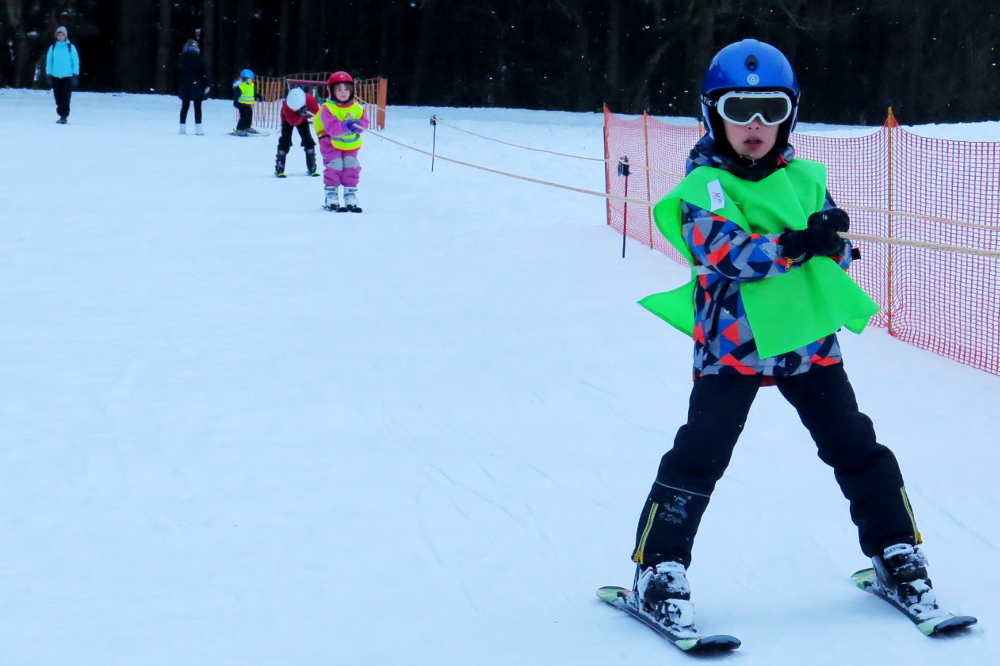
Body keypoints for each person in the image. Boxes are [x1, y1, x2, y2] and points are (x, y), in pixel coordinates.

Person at [627, 39, 938, 632]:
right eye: (739, 110)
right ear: (713, 114)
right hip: (733, 349)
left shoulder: (804, 180)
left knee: (855, 445)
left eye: (770, 110)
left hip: (807, 344)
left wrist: (834, 242)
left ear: (789, 115)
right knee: (701, 454)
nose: (755, 126)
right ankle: (658, 566)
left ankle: (896, 549)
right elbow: (726, 254)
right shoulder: (702, 190)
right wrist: (796, 245)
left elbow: (835, 257)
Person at [314, 71, 369, 212]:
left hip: (350, 144)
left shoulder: (357, 107)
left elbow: (365, 122)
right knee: (335, 165)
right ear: (332, 91)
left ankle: (350, 194)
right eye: (339, 89)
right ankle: (331, 195)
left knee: (351, 165)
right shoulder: (328, 108)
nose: (343, 92)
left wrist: (359, 125)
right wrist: (345, 126)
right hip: (331, 143)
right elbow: (331, 128)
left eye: (346, 89)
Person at [275, 87, 320, 177]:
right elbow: (292, 122)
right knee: (285, 140)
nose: (294, 110)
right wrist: (300, 114)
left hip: (303, 121)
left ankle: (312, 165)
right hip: (287, 120)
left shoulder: (310, 99)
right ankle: (280, 165)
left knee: (308, 139)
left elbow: (316, 112)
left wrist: (308, 112)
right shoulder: (286, 105)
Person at [45, 26, 80, 124]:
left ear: (65, 36)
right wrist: (48, 74)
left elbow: (75, 61)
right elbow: (49, 62)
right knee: (58, 97)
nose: (60, 37)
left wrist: (75, 74)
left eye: (62, 35)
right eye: (59, 35)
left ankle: (64, 115)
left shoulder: (71, 48)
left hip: (67, 76)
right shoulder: (52, 47)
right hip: (55, 76)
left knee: (66, 97)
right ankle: (60, 113)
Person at [177, 39, 209, 135]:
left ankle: (182, 127)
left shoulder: (181, 58)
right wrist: (206, 84)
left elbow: (178, 72)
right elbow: (204, 72)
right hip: (197, 84)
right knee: (198, 106)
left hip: (185, 84)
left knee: (185, 106)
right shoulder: (199, 58)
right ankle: (198, 128)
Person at [232, 69, 261, 136]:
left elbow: (253, 93)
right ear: (245, 78)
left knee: (249, 115)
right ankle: (240, 129)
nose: (251, 80)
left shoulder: (251, 85)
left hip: (248, 104)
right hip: (242, 104)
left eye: (251, 79)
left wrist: (259, 96)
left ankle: (247, 127)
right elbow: (236, 96)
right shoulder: (241, 86)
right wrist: (237, 103)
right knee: (244, 117)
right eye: (250, 79)